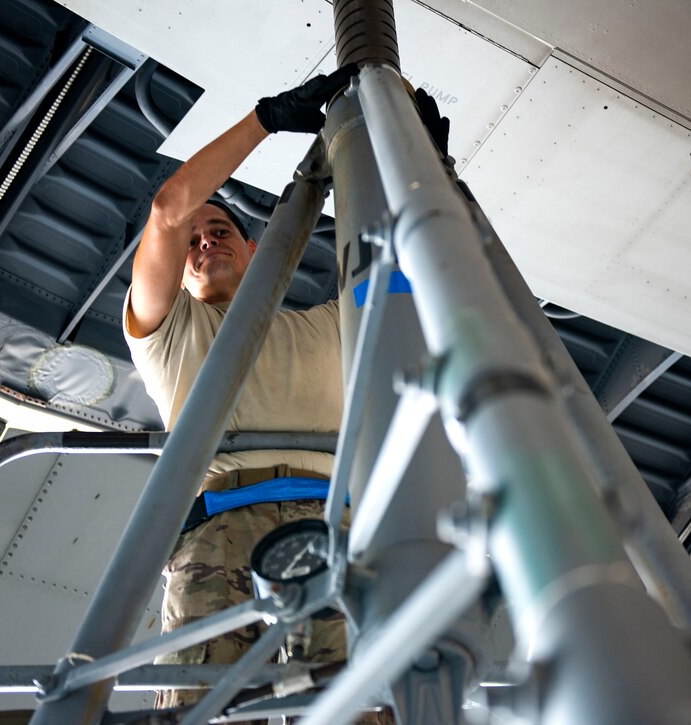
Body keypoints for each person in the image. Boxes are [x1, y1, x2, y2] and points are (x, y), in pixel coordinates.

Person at [124, 63, 449, 716]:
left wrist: (427, 169)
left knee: (356, 712)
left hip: (331, 529)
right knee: (204, 709)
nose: (204, 242)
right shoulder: (169, 333)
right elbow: (167, 212)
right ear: (178, 271)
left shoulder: (332, 326)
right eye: (193, 241)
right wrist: (267, 119)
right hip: (219, 532)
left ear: (250, 248)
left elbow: (413, 270)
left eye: (219, 231)